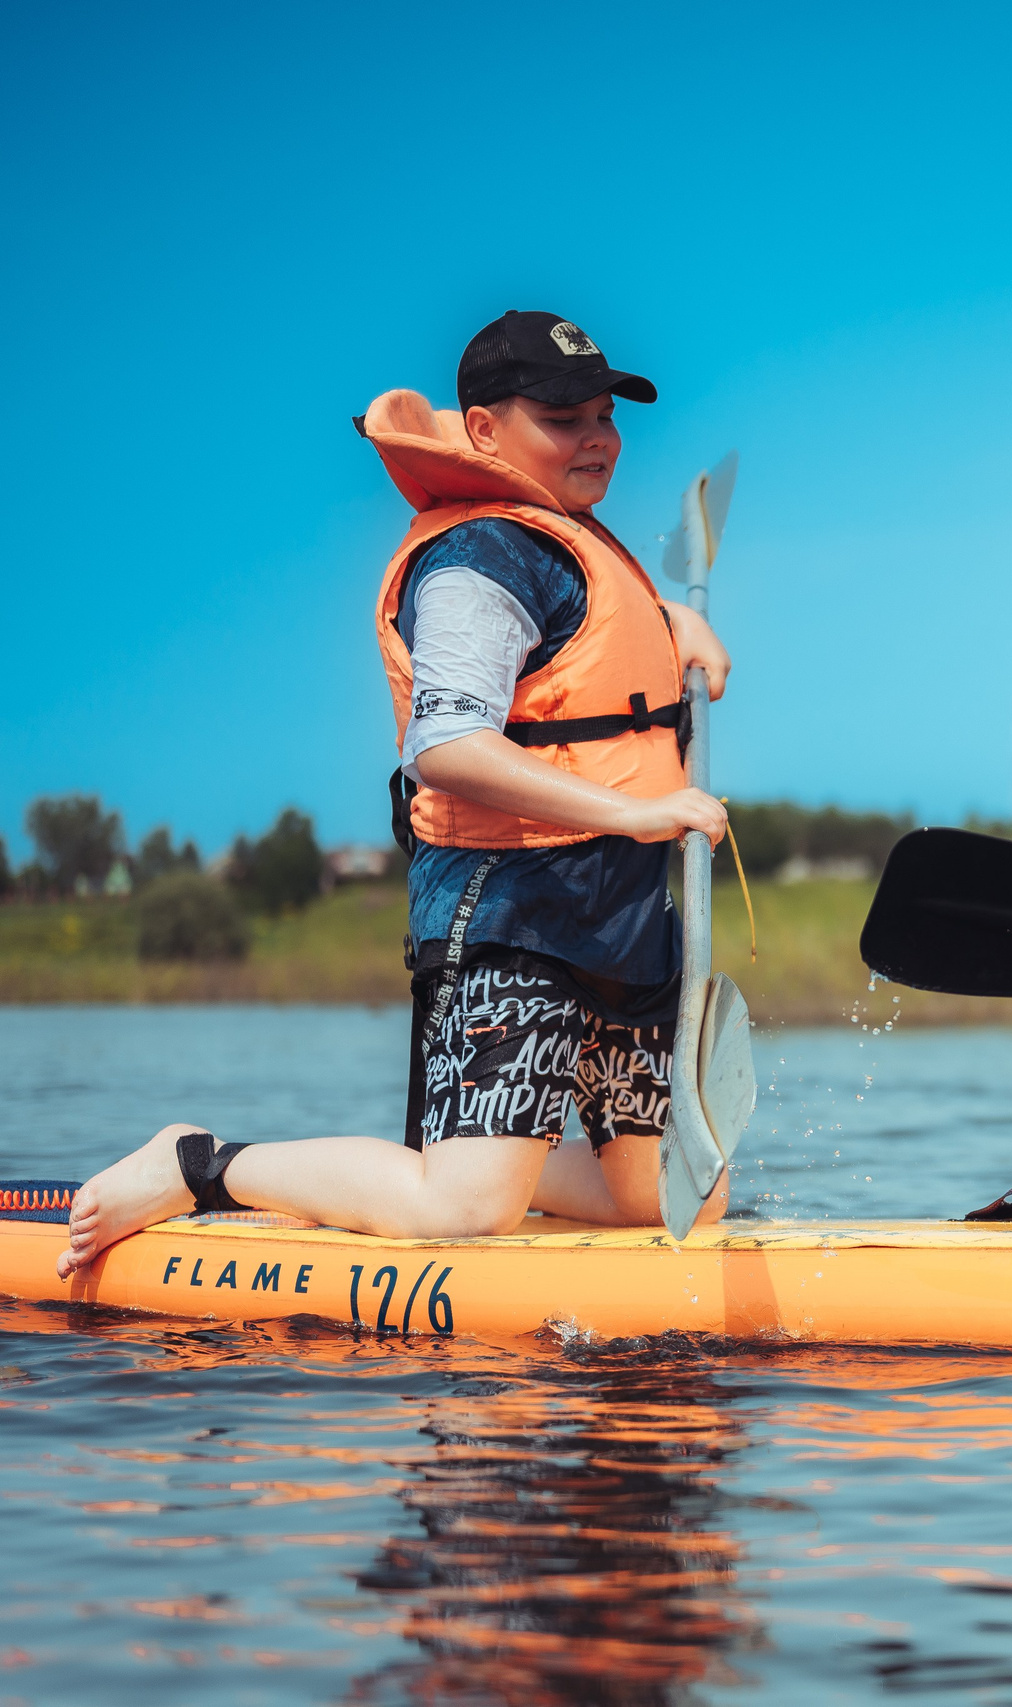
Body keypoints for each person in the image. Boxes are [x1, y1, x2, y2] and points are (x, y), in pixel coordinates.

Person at [58, 311, 733, 1280]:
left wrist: (671, 621)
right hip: (514, 916)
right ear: (486, 433)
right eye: (563, 419)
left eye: (603, 417)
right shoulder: (470, 563)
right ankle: (201, 1165)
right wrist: (638, 813)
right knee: (462, 1213)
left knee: (675, 1197)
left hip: (622, 921)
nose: (596, 439)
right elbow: (448, 746)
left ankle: (499, 1160)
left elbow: (579, 639)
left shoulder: (570, 542)